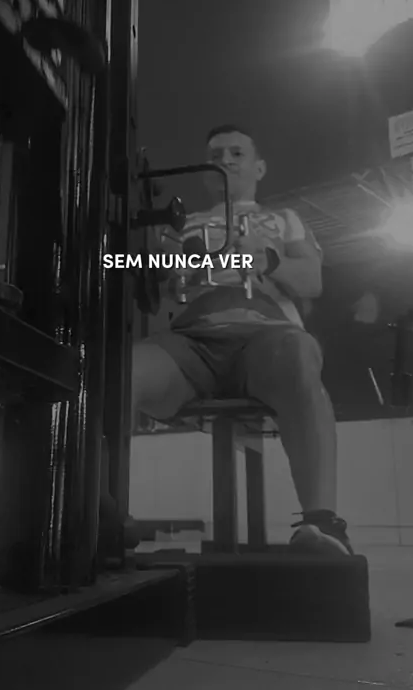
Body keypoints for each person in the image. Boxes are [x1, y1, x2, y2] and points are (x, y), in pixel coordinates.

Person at [132, 123, 353, 556]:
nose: (226, 161)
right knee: (122, 371)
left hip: (267, 339)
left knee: (298, 352)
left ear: (259, 167)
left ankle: (322, 523)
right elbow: (149, 282)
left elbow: (312, 281)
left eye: (236, 153)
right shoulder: (179, 226)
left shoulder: (285, 219)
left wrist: (267, 260)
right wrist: (165, 269)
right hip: (193, 341)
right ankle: (91, 513)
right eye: (216, 155)